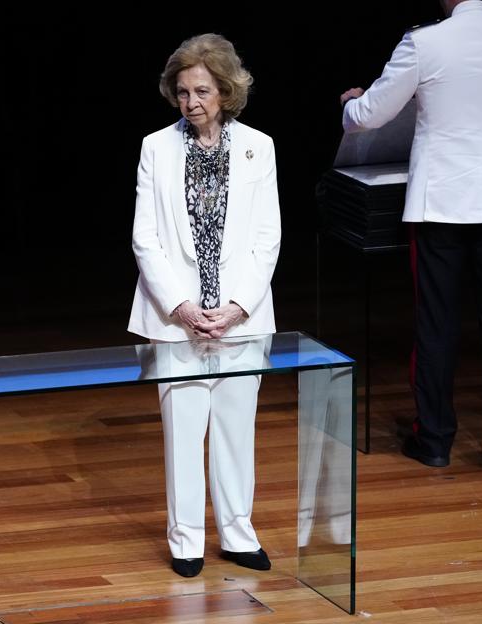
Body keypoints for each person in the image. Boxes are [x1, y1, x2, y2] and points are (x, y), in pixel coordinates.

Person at [340, 1, 482, 475]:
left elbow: (370, 115)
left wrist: (349, 104)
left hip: (440, 203)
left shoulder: (424, 41)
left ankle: (436, 440)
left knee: (435, 323)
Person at [128, 33, 281, 576]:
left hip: (240, 320)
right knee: (184, 438)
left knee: (237, 434)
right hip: (178, 323)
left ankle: (238, 535)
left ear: (227, 91)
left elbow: (267, 238)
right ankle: (186, 541)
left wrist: (236, 306)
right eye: (183, 91)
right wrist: (184, 307)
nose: (191, 102)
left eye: (202, 91)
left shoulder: (257, 147)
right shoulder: (155, 147)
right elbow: (146, 239)